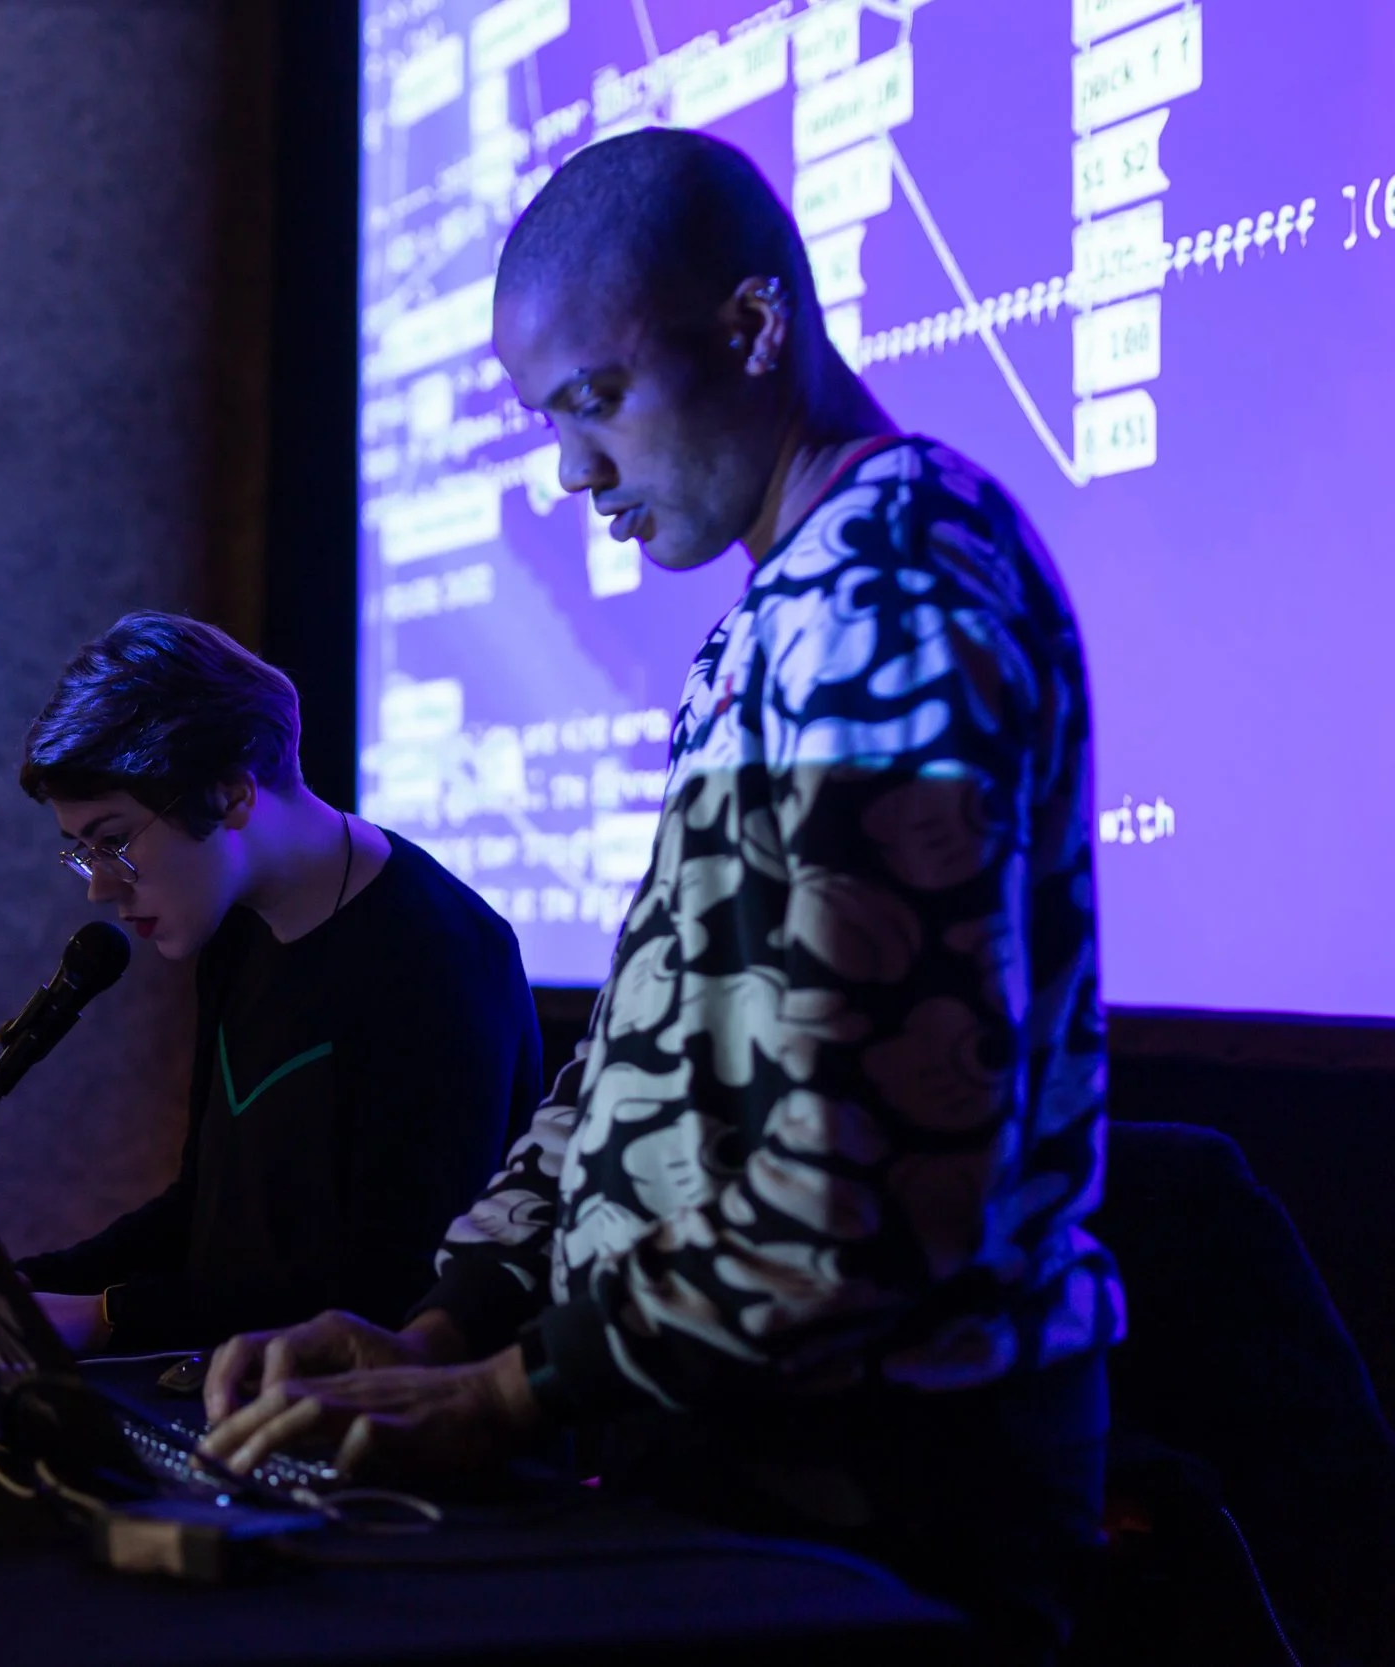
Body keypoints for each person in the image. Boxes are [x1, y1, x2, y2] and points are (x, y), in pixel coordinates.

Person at [201, 130, 1121, 1665]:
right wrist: (442, 1326)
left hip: (880, 1497)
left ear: (758, 329)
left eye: (595, 400)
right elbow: (642, 1051)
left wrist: (499, 1394)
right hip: (737, 1461)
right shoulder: (794, 604)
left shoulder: (887, 597)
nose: (573, 471)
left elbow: (856, 1203)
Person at [0, 611, 541, 1355]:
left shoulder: (439, 957)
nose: (100, 888)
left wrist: (105, 1316)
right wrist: (12, 1284)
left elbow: (392, 1288)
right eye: (84, 851)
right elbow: (206, 1213)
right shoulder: (237, 930)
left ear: (233, 793)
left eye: (114, 840)